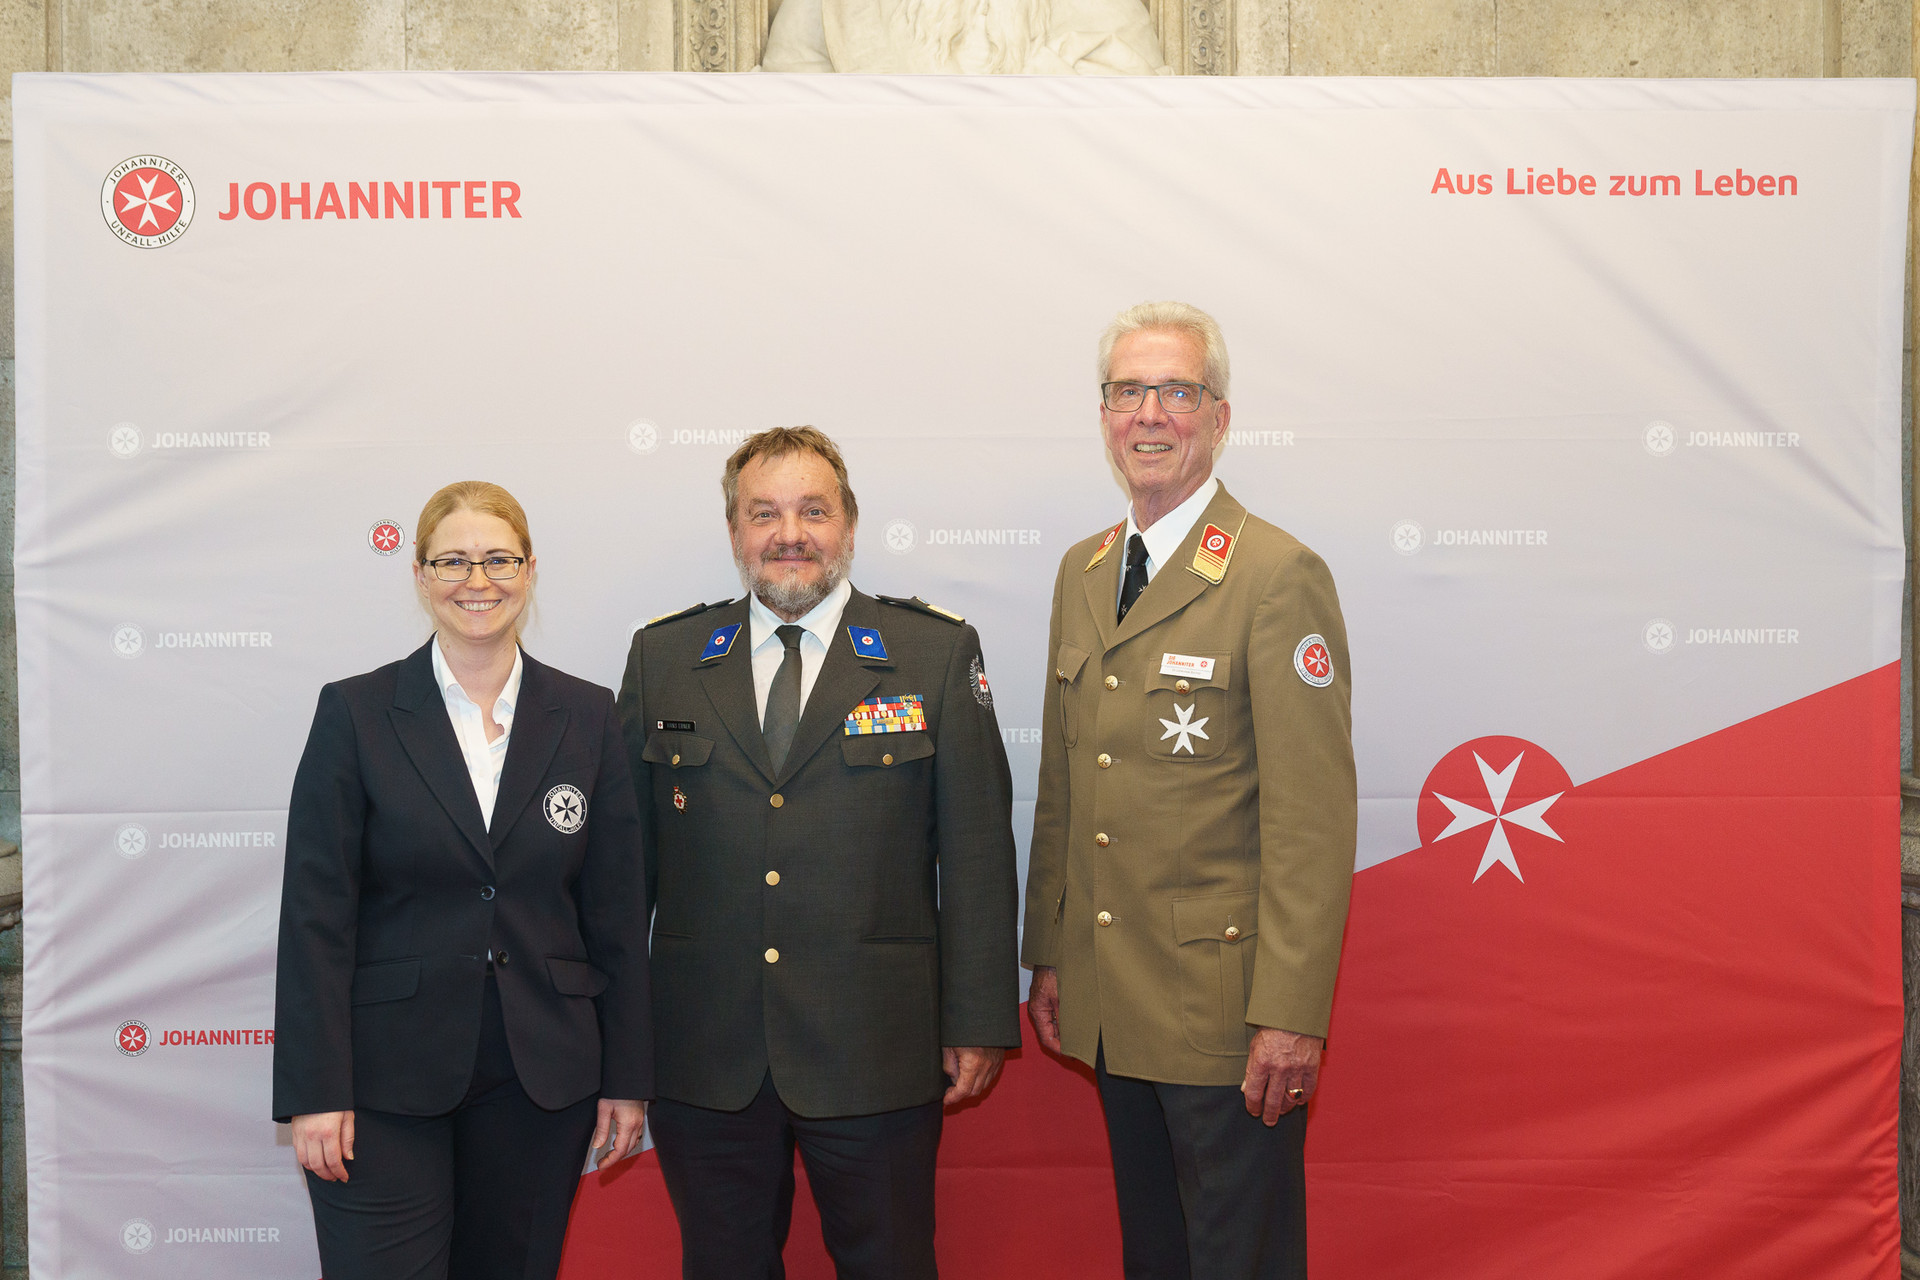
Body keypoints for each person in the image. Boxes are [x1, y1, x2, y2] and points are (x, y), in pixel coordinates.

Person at [617, 425, 1019, 1280]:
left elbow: (978, 849)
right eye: (763, 512)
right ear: (733, 531)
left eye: (812, 511)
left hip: (877, 1049)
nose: (788, 533)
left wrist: (978, 1018)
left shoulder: (933, 653)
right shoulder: (665, 658)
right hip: (707, 1055)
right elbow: (626, 870)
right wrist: (623, 1039)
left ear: (849, 523)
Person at [1022, 302, 1357, 1279]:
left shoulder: (1275, 574)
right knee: (1157, 1257)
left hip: (1225, 1017)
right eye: (1130, 391)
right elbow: (1066, 786)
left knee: (1238, 1261)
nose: (1151, 415)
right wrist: (1049, 950)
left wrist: (1290, 1010)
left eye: (1177, 391)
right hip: (1112, 999)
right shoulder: (1081, 572)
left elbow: (1311, 817)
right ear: (1105, 414)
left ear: (1218, 416)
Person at [272, 481, 652, 1280]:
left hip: (541, 1078)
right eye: (453, 560)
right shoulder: (357, 712)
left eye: (498, 559)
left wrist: (627, 1079)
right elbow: (316, 915)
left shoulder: (587, 716)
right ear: (418, 575)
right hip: (382, 1082)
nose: (476, 581)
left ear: (530, 569)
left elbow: (615, 914)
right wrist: (314, 1088)